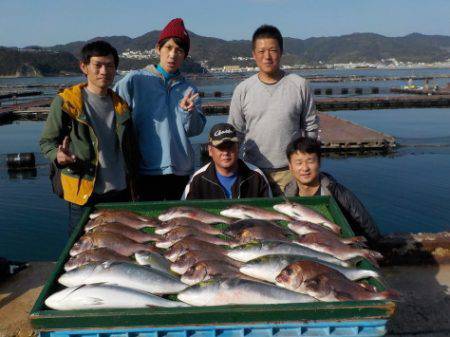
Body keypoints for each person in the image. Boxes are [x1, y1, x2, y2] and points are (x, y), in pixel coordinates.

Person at [40, 40, 138, 233]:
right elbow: (46, 142)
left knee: (119, 248)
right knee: (80, 250)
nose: (104, 71)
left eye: (109, 66)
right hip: (84, 192)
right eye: (98, 65)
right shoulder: (67, 103)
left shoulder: (121, 106)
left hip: (120, 191)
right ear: (84, 67)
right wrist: (58, 156)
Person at [114, 18, 206, 201]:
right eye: (168, 48)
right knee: (148, 222)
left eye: (179, 50)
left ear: (185, 56)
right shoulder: (135, 80)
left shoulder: (189, 89)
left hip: (180, 170)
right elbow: (112, 110)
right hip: (145, 169)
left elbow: (194, 130)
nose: (173, 55)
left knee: (177, 224)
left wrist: (188, 112)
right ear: (158, 49)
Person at [228, 24, 319, 196]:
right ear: (254, 55)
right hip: (253, 171)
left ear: (281, 52)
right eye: (261, 52)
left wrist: (305, 164)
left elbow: (311, 128)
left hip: (291, 172)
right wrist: (234, 170)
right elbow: (235, 133)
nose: (267, 57)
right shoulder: (243, 89)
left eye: (273, 50)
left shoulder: (299, 85)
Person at [284, 137, 381, 244]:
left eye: (310, 161)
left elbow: (367, 226)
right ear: (290, 166)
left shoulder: (339, 194)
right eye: (299, 163)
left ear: (319, 162)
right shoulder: (287, 194)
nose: (305, 168)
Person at [182, 123, 272, 200]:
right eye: (220, 147)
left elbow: (269, 210)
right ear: (210, 150)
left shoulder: (256, 177)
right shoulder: (197, 180)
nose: (225, 152)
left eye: (230, 146)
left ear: (237, 148)